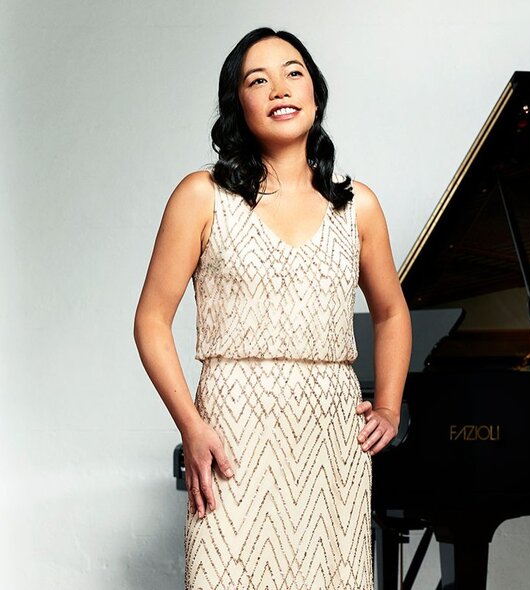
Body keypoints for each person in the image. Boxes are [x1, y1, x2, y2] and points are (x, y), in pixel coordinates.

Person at [133, 27, 411, 589]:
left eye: (293, 73)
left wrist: (387, 405)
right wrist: (191, 424)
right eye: (258, 80)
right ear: (238, 103)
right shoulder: (201, 195)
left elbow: (391, 312)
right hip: (232, 431)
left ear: (315, 92)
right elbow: (150, 320)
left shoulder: (359, 207)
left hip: (331, 438)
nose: (279, 88)